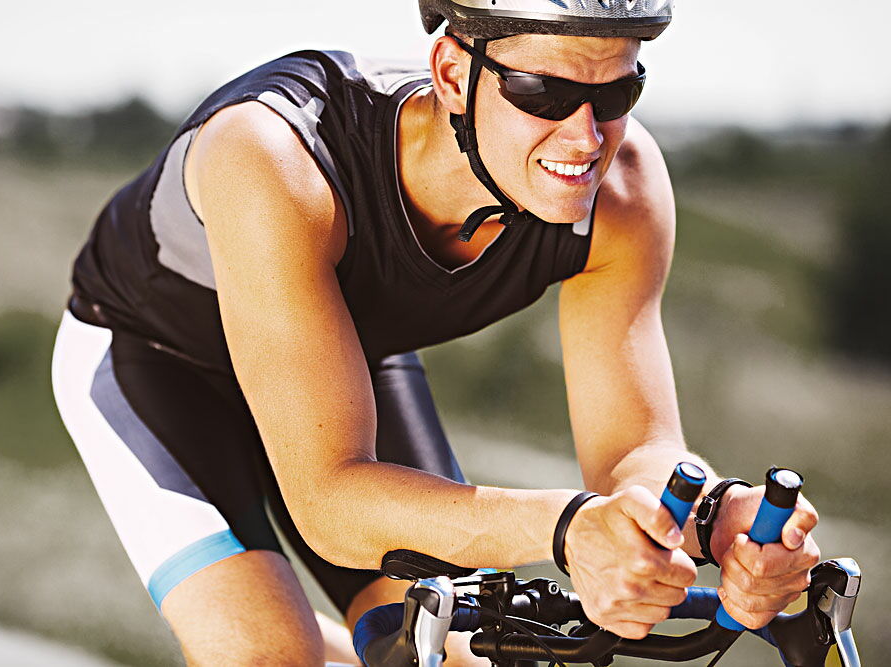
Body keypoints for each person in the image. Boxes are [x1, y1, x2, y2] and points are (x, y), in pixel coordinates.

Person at [51, 1, 821, 664]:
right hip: (157, 356)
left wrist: (716, 517)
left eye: (617, 90)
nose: (586, 137)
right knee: (264, 649)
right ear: (453, 73)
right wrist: (566, 528)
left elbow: (633, 453)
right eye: (544, 91)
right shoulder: (274, 152)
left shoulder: (620, 193)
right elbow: (330, 501)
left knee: (450, 650)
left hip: (342, 361)